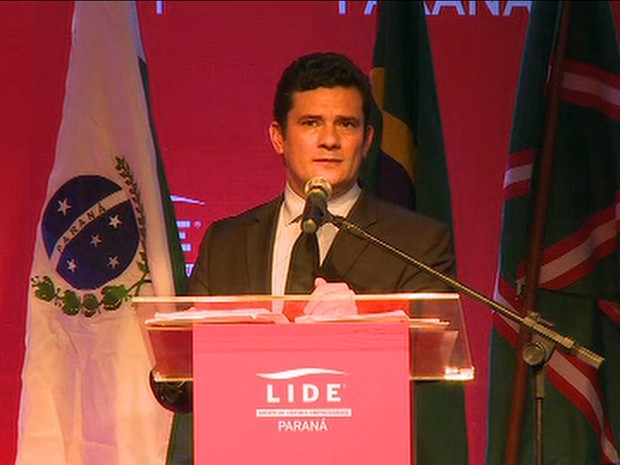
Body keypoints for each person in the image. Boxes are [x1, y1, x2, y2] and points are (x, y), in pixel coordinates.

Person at [153, 51, 456, 464]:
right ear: (278, 136)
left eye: (346, 124)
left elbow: (429, 361)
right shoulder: (226, 243)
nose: (329, 139)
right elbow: (185, 387)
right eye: (311, 123)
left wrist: (365, 329)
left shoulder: (418, 243)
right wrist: (170, 357)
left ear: (367, 140)